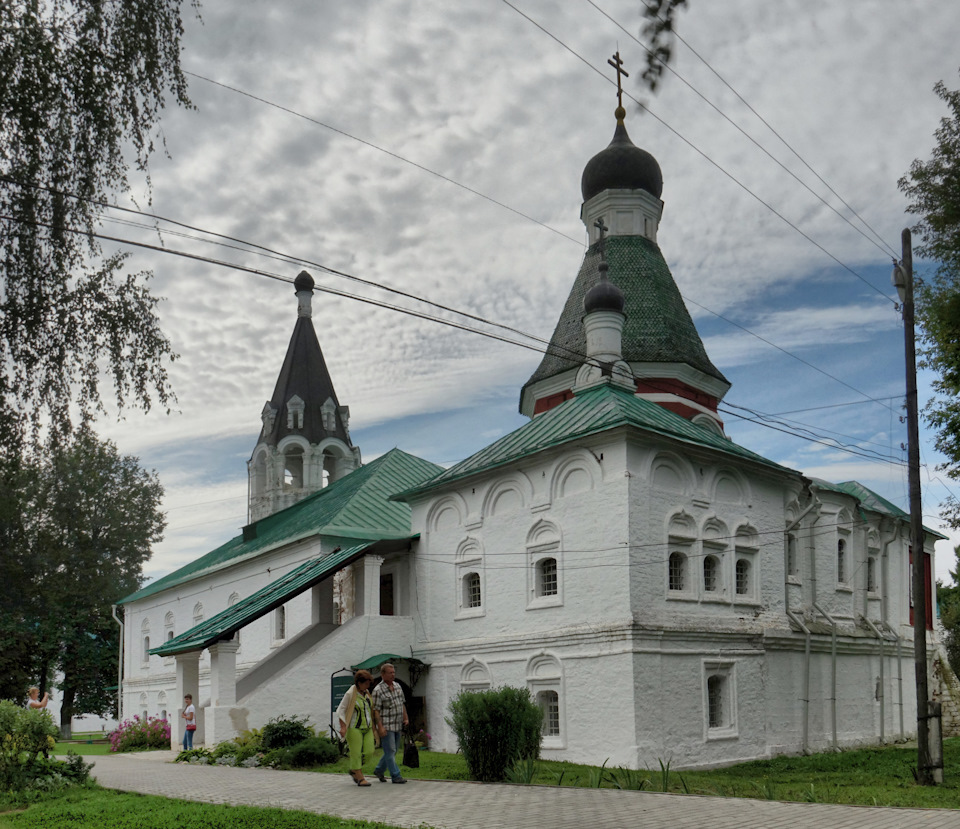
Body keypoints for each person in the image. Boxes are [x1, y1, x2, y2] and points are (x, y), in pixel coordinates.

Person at [336, 669, 376, 786]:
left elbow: (370, 710)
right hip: (354, 728)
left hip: (367, 727)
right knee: (356, 753)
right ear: (359, 682)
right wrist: (343, 727)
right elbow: (341, 710)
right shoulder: (350, 694)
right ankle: (360, 777)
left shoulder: (367, 693)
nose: (368, 685)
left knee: (369, 752)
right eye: (367, 683)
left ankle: (354, 769)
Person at [371, 662, 408, 784]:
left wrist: (405, 718)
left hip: (397, 724)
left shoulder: (397, 686)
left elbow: (401, 703)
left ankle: (379, 770)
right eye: (390, 673)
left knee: (393, 750)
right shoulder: (378, 690)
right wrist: (379, 727)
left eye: (394, 672)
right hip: (386, 724)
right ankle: (396, 775)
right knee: (390, 750)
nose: (393, 675)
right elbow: (375, 710)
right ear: (383, 674)